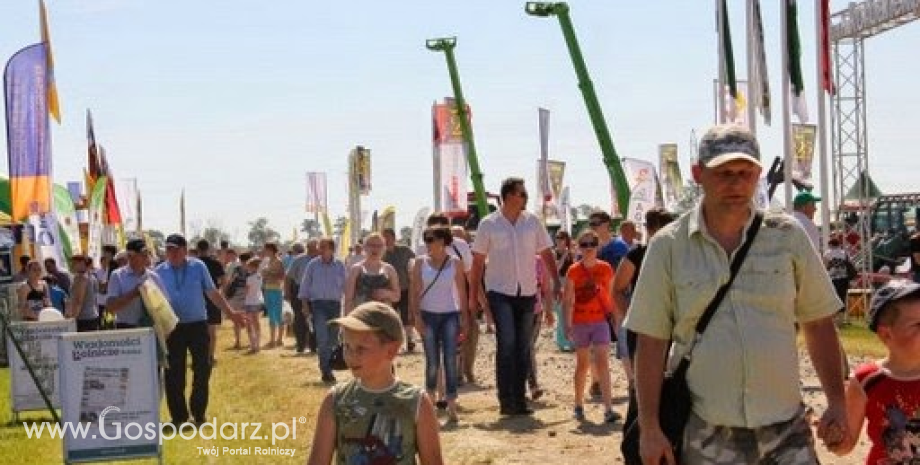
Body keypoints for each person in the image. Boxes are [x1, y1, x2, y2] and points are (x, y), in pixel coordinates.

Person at [625, 124, 849, 464]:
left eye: (745, 172)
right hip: (707, 433)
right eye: (724, 173)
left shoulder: (787, 237)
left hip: (787, 430)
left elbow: (818, 324)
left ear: (758, 174)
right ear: (698, 173)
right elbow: (651, 342)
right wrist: (651, 428)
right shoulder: (668, 247)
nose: (736, 182)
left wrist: (836, 401)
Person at [306, 302, 444, 465]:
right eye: (347, 346)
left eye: (361, 349)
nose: (351, 356)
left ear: (391, 350)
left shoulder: (417, 403)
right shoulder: (335, 400)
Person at [469, 177, 560, 416]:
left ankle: (519, 400)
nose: (525, 197)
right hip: (499, 291)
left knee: (523, 346)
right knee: (507, 343)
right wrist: (473, 296)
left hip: (527, 291)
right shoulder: (488, 224)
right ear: (508, 195)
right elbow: (477, 262)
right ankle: (506, 399)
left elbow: (546, 252)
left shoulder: (532, 223)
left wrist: (557, 280)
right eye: (521, 193)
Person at [154, 234, 246, 427]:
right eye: (169, 249)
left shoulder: (198, 267)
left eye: (176, 249)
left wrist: (231, 313)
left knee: (202, 369)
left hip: (197, 324)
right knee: (174, 374)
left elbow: (212, 293)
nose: (172, 253)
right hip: (172, 329)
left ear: (185, 250)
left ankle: (198, 414)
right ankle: (179, 417)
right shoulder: (158, 271)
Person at [838, 279, 920, 463]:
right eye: (918, 325)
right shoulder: (867, 380)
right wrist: (834, 434)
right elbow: (845, 446)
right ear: (886, 334)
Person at [409, 226, 467, 423]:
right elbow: (415, 292)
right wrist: (416, 317)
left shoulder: (455, 263)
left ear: (443, 242)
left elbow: (461, 292)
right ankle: (430, 404)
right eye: (426, 240)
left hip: (450, 314)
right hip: (428, 315)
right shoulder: (419, 263)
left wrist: (465, 317)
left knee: (450, 360)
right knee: (432, 361)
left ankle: (451, 404)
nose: (428, 244)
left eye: (431, 239)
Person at [564, 229, 619, 423]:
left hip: (600, 321)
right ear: (579, 247)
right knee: (583, 364)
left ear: (598, 247)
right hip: (580, 321)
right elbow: (567, 299)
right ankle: (578, 404)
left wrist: (615, 319)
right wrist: (567, 323)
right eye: (584, 245)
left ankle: (608, 408)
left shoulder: (606, 269)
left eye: (591, 245)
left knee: (603, 362)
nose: (588, 249)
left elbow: (611, 296)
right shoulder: (573, 270)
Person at [299, 237, 347, 384]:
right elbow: (305, 284)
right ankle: (326, 370)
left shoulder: (339, 265)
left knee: (333, 339)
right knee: (322, 338)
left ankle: (330, 363)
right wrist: (304, 305)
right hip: (318, 305)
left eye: (324, 247)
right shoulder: (313, 265)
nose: (320, 250)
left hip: (335, 305)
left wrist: (349, 304)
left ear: (332, 249)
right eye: (320, 247)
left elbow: (346, 286)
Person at [107, 239, 167, 329]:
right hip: (126, 328)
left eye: (147, 253)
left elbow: (165, 304)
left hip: (150, 328)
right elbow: (111, 307)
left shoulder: (154, 276)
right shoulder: (117, 275)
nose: (146, 256)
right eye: (142, 253)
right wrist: (133, 293)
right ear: (130, 256)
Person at [343, 233, 400, 315]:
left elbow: (397, 296)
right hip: (361, 317)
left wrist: (386, 293)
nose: (375, 249)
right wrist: (347, 322)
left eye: (379, 246)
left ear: (384, 249)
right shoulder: (356, 269)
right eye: (372, 245)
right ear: (365, 248)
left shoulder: (389, 269)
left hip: (384, 318)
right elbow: (348, 299)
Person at [383, 228, 417, 352]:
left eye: (388, 237)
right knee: (391, 318)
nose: (386, 240)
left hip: (406, 289)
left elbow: (415, 263)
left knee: (407, 316)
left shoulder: (405, 251)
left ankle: (410, 340)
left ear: (394, 237)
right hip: (389, 292)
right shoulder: (381, 255)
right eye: (384, 237)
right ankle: (393, 343)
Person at [196, 240, 226, 364]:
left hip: (197, 298)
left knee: (198, 330)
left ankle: (200, 356)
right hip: (213, 297)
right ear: (208, 249)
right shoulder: (216, 263)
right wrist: (219, 290)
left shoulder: (194, 264)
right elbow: (224, 280)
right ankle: (211, 356)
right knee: (212, 330)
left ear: (198, 249)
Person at [284, 241, 314, 354]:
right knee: (300, 318)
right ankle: (300, 345)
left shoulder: (320, 260)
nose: (314, 250)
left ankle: (313, 345)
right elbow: (288, 277)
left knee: (314, 318)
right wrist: (287, 293)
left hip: (315, 292)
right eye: (311, 248)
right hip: (299, 291)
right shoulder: (299, 260)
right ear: (307, 248)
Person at [260, 242, 286, 348]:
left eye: (266, 249)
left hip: (276, 290)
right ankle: (272, 339)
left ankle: (279, 339)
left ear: (271, 249)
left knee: (278, 315)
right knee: (271, 315)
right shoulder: (268, 261)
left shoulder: (278, 261)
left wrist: (268, 273)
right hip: (267, 289)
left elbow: (281, 276)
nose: (264, 251)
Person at [552, 230, 575, 351]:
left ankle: (571, 341)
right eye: (557, 238)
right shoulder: (554, 253)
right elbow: (555, 268)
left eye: (562, 238)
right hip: (558, 284)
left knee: (570, 313)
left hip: (570, 284)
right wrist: (565, 255)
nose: (559, 240)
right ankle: (561, 342)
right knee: (561, 314)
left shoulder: (572, 254)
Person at [66, 254, 99, 332]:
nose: (71, 266)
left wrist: (73, 318)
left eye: (74, 263)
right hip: (92, 316)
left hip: (83, 318)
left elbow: (78, 300)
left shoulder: (81, 278)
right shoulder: (91, 276)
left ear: (82, 264)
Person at [825, 237, 853, 326]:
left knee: (832, 298)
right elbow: (849, 264)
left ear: (831, 244)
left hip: (832, 279)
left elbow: (824, 266)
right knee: (842, 298)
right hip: (843, 278)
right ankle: (840, 320)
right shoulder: (844, 253)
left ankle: (833, 319)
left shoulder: (828, 253)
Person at [242, 257, 264, 353]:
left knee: (249, 324)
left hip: (250, 302)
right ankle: (257, 345)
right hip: (257, 301)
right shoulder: (260, 276)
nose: (247, 268)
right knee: (256, 323)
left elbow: (247, 291)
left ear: (253, 267)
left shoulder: (249, 278)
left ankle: (253, 345)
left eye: (249, 267)